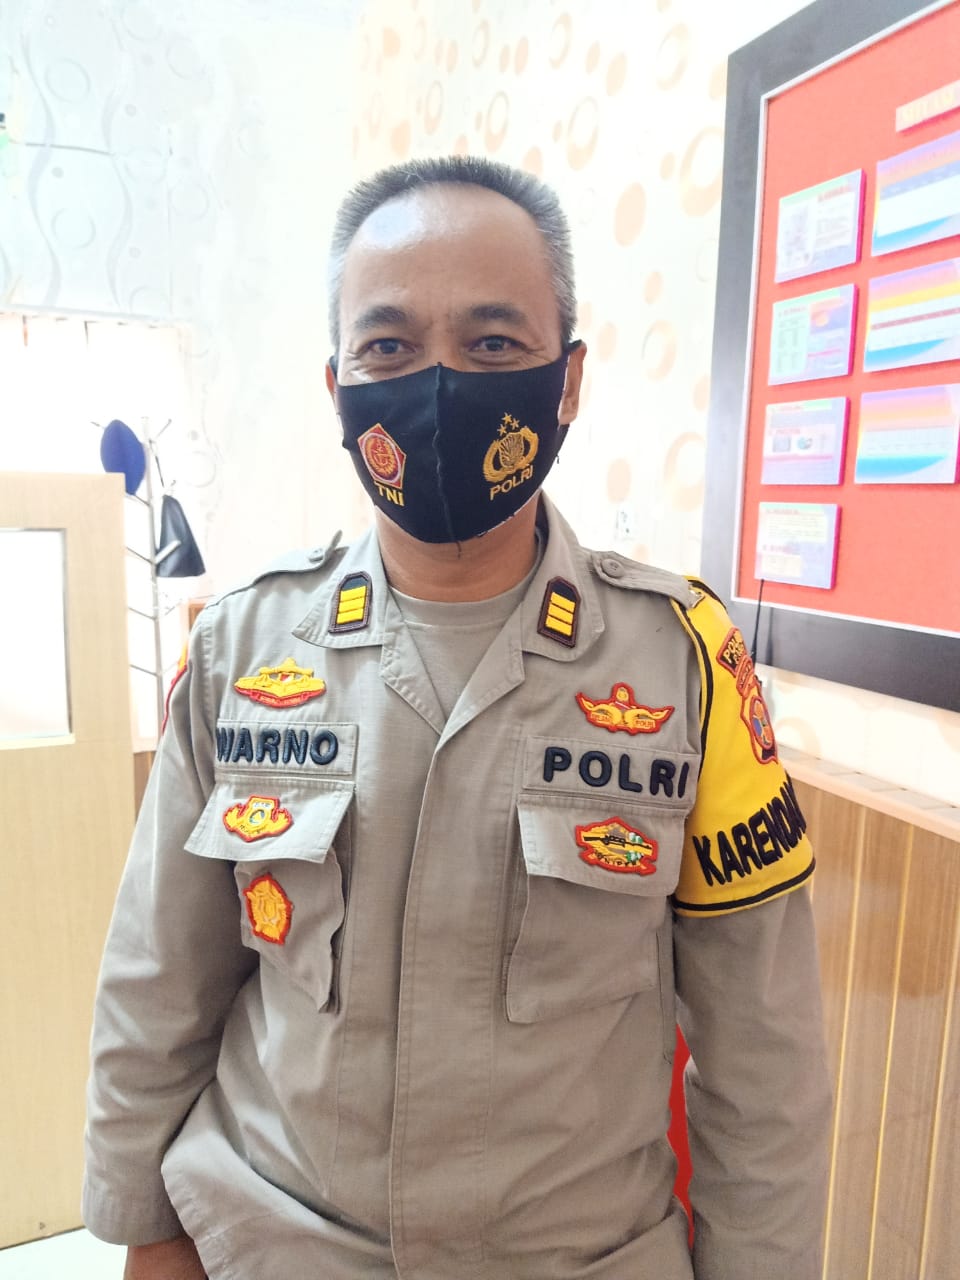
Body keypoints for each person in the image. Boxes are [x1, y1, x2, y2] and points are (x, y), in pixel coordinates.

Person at [84, 156, 831, 1280]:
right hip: (271, 1242)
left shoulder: (687, 663)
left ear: (566, 381)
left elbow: (763, 1048)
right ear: (338, 388)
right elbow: (160, 974)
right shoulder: (242, 646)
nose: (437, 384)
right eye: (388, 346)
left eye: (492, 343)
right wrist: (145, 1230)